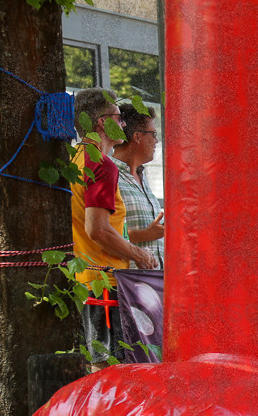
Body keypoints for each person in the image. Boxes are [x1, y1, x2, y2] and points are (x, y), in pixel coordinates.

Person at [70, 88, 157, 369]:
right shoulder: (101, 164)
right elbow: (98, 229)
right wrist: (139, 254)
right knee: (112, 375)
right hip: (104, 286)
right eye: (118, 118)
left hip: (84, 282)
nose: (122, 124)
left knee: (96, 373)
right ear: (100, 124)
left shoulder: (75, 160)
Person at [113, 103, 165, 269]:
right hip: (127, 285)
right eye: (154, 134)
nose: (157, 141)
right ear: (137, 137)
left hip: (153, 282)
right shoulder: (109, 175)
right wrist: (145, 235)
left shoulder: (142, 176)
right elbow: (99, 231)